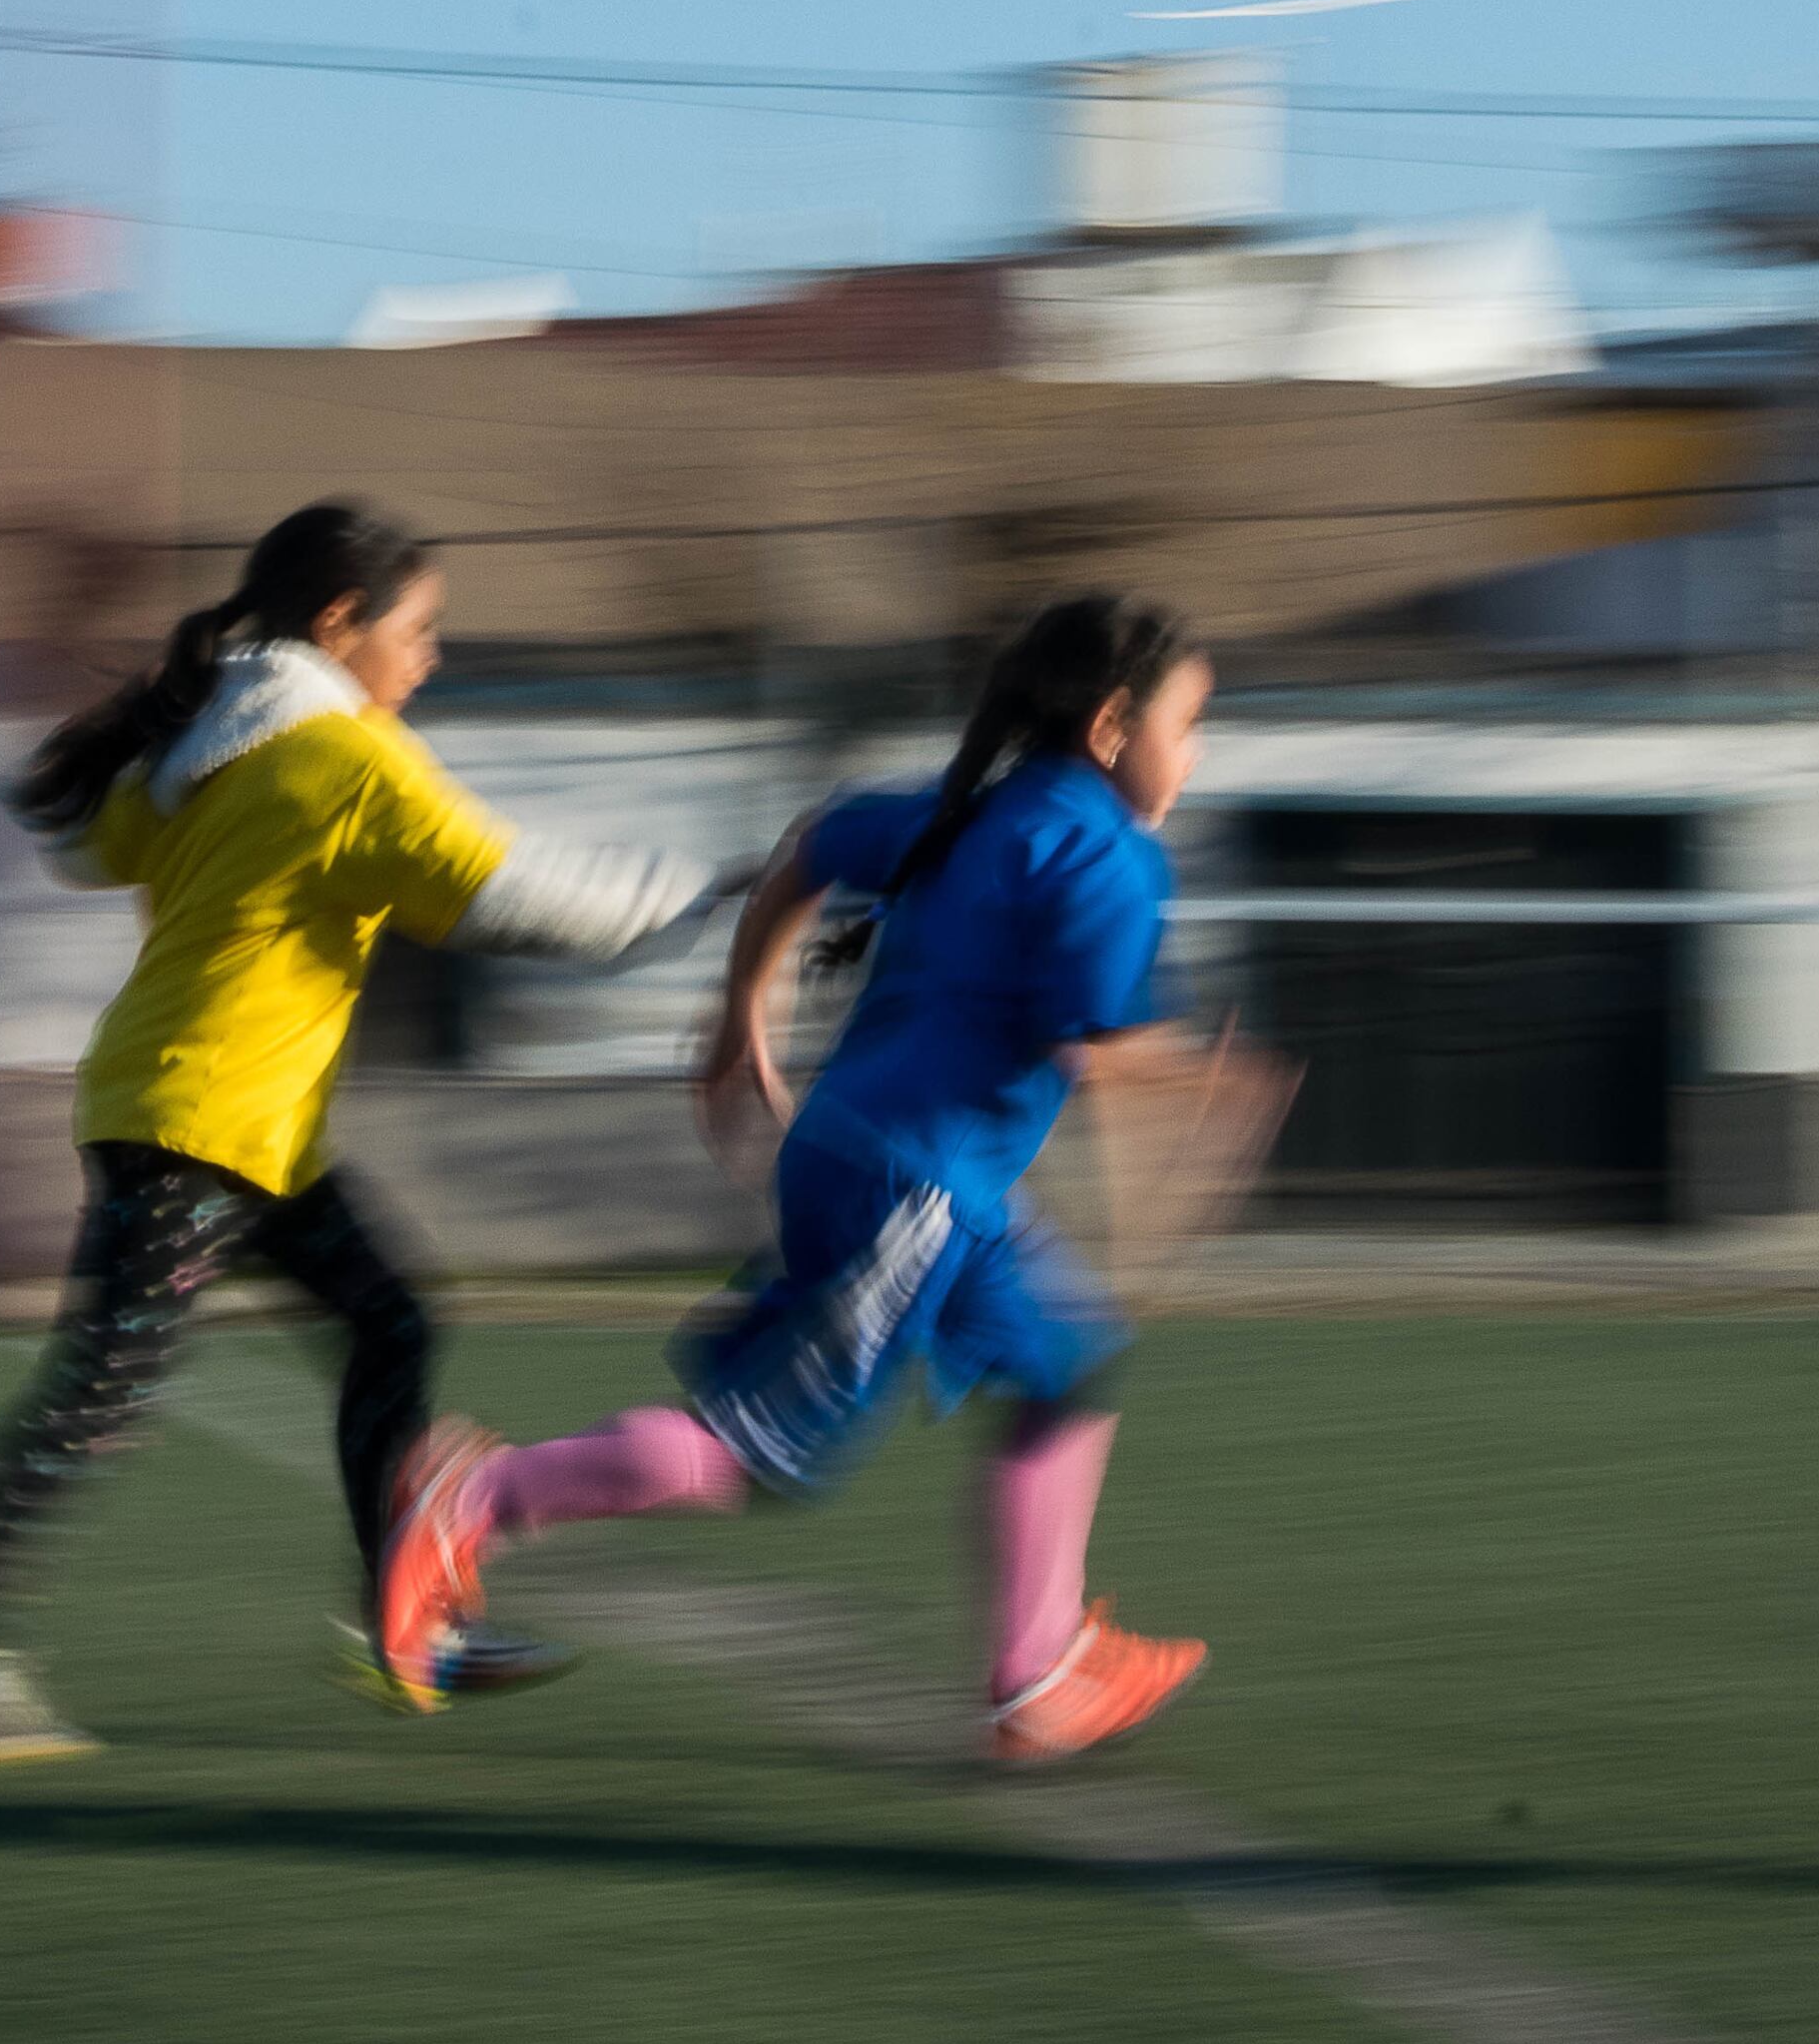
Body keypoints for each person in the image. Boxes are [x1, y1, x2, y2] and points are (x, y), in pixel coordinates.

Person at [0, 500, 710, 1768]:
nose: (432, 657)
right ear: (341, 627)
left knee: (391, 1317)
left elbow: (91, 841)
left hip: (232, 1129)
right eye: (422, 629)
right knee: (101, 1389)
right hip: (197, 1133)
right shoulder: (344, 758)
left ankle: (398, 1617)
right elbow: (507, 894)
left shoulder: (225, 744)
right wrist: (709, 887)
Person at [373, 592, 1268, 1765]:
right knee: (748, 1457)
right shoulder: (1105, 856)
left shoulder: (975, 810)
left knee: (1067, 1358)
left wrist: (740, 1004)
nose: (1195, 753)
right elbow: (1089, 1045)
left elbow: (808, 842)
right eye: (1188, 722)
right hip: (913, 1190)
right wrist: (1209, 1083)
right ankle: (476, 1497)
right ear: (1110, 728)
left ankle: (1035, 1670)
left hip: (899, 1166)